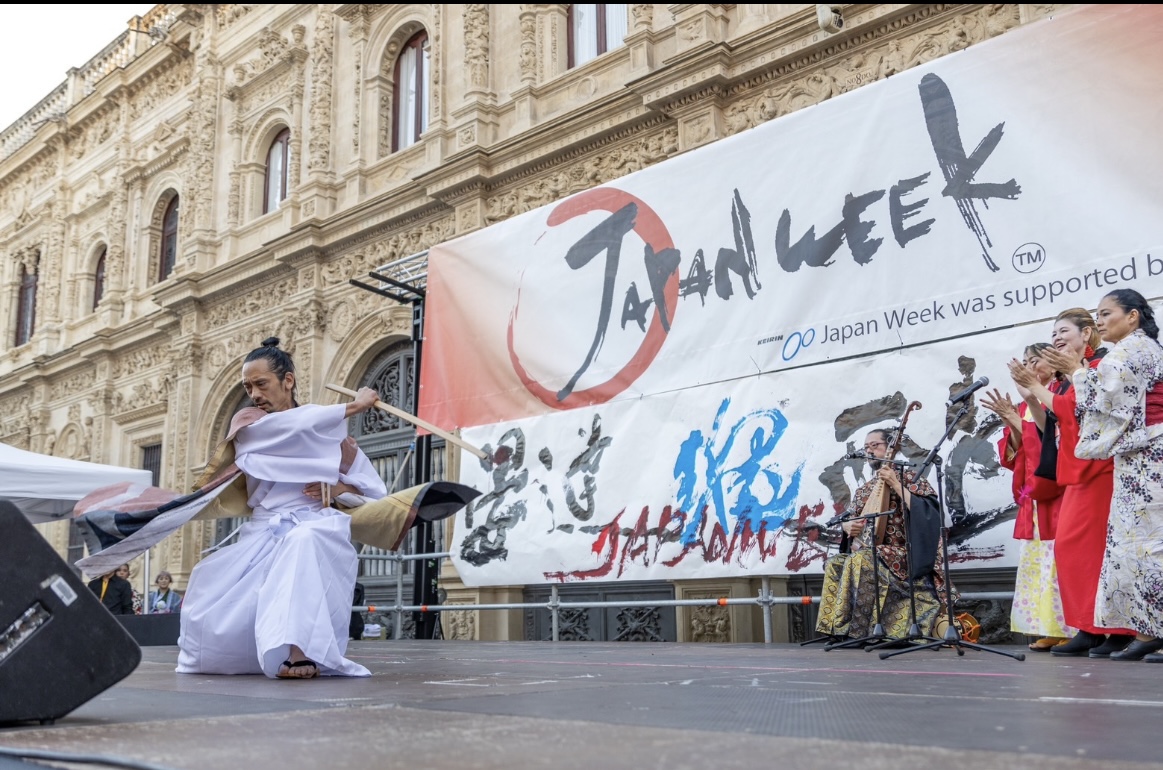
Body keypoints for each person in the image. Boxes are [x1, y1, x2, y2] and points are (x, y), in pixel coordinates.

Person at [176, 337, 390, 680]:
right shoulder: (251, 424)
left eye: (261, 384)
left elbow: (372, 491)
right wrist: (353, 407)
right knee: (209, 608)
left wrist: (337, 489)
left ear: (287, 381)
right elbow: (292, 427)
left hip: (315, 524)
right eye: (248, 386)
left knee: (304, 540)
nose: (255, 394)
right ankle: (267, 649)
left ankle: (300, 651)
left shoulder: (336, 440)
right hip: (265, 529)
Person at [1008, 308, 1135, 657]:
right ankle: (1090, 626)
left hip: (1101, 468)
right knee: (1071, 549)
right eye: (1053, 334)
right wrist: (1033, 395)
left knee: (1095, 551)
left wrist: (1037, 388)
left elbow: (1077, 410)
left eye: (1063, 331)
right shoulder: (1068, 377)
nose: (1057, 338)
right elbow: (1049, 426)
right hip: (1076, 471)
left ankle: (1111, 629)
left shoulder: (1098, 367)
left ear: (1087, 335)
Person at [1057, 290, 1163, 662]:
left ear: (1132, 316)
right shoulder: (1142, 349)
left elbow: (1104, 401)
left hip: (1148, 452)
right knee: (1139, 543)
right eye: (1096, 315)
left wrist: (1076, 372)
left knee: (1147, 544)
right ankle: (1147, 629)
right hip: (1142, 452)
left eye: (1106, 313)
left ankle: (1153, 630)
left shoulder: (1132, 350)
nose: (1099, 321)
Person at [815, 429, 954, 643]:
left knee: (863, 558)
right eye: (866, 447)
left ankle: (859, 632)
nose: (870, 450)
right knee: (835, 562)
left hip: (906, 553)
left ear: (891, 448)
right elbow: (851, 521)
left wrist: (896, 485)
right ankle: (836, 629)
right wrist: (847, 527)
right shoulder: (863, 491)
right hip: (874, 552)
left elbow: (928, 515)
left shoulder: (910, 477)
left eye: (875, 445)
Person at [981, 344, 1070, 651]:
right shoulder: (1025, 404)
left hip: (1057, 490)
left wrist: (1017, 418)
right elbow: (1015, 454)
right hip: (1034, 494)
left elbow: (1049, 442)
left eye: (1036, 360)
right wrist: (1010, 419)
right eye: (1027, 361)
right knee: (1039, 561)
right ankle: (1048, 625)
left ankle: (1067, 626)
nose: (1030, 366)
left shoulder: (1059, 392)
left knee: (1058, 559)